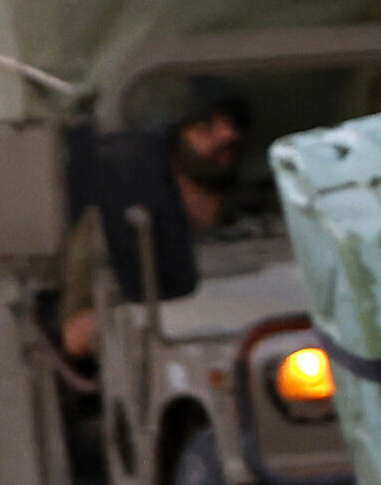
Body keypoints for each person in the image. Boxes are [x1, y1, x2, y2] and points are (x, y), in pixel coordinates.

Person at [56, 82, 257, 359]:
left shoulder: (261, 212)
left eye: (233, 123)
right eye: (206, 125)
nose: (227, 135)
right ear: (173, 141)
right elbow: (75, 335)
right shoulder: (118, 223)